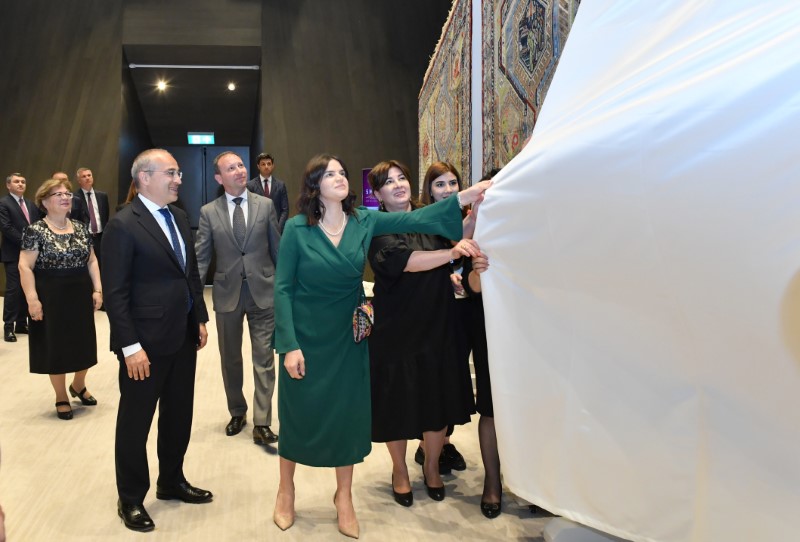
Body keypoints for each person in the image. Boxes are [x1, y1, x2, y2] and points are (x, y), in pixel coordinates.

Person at [272, 154, 490, 537]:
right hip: (306, 336)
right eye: (330, 173)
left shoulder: (363, 221)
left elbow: (414, 219)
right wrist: (289, 344)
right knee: (299, 413)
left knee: (346, 416)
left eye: (342, 172)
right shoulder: (296, 228)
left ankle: (344, 497)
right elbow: (283, 288)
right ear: (314, 185)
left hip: (349, 336)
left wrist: (464, 197)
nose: (340, 177)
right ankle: (285, 489)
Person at [101, 149, 212, 533]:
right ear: (144, 177)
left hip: (182, 335)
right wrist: (130, 347)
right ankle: (131, 498)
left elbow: (190, 274)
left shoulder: (178, 217)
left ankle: (171, 480)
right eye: (171, 172)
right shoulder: (122, 225)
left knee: (179, 414)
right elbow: (115, 294)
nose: (179, 179)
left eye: (179, 172)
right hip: (144, 345)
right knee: (136, 422)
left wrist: (199, 317)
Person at [366, 160, 479, 507]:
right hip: (396, 326)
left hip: (437, 320)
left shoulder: (428, 216)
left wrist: (477, 210)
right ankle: (399, 470)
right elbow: (408, 262)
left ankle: (431, 466)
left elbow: (460, 235)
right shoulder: (375, 226)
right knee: (396, 401)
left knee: (436, 398)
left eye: (402, 178)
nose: (398, 185)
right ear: (378, 194)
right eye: (389, 182)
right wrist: (450, 254)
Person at [195, 151, 281, 443]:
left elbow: (277, 249)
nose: (239, 171)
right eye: (231, 168)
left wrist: (286, 290)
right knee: (230, 358)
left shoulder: (265, 205)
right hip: (226, 294)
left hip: (263, 292)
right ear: (219, 178)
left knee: (264, 358)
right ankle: (237, 411)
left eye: (241, 165)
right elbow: (201, 259)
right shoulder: (209, 212)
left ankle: (262, 421)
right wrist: (194, 303)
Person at [18, 178, 102, 420]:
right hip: (50, 296)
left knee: (83, 343)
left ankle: (78, 384)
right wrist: (32, 300)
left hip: (79, 293)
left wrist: (98, 289)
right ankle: (61, 395)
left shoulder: (81, 227)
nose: (66, 197)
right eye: (58, 194)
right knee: (55, 345)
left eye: (67, 194)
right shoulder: (35, 230)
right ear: (44, 201)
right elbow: (25, 266)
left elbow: (92, 260)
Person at [411, 160, 476, 473]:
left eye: (453, 183)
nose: (448, 190)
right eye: (440, 184)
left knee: (453, 377)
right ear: (429, 189)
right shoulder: (423, 220)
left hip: (464, 308)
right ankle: (427, 446)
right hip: (433, 311)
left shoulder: (466, 216)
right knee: (432, 378)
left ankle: (444, 442)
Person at [1, 173, 41, 342]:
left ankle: (21, 323)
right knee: (14, 290)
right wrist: (27, 242)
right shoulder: (3, 203)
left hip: (31, 255)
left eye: (23, 182)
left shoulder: (30, 204)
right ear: (8, 185)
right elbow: (6, 228)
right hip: (13, 254)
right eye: (16, 181)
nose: (20, 184)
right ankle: (8, 326)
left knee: (27, 288)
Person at [72, 167, 109, 268]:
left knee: (102, 265)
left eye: (89, 175)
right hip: (85, 238)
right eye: (84, 176)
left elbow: (105, 216)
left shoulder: (102, 196)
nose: (87, 178)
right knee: (87, 266)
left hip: (100, 237)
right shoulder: (74, 197)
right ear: (79, 180)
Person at [248, 153, 290, 232]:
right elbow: (249, 209)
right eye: (263, 164)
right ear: (258, 166)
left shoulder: (280, 185)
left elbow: (285, 210)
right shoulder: (250, 186)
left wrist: (278, 228)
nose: (266, 166)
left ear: (273, 166)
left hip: (277, 229)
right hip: (257, 230)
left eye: (269, 164)